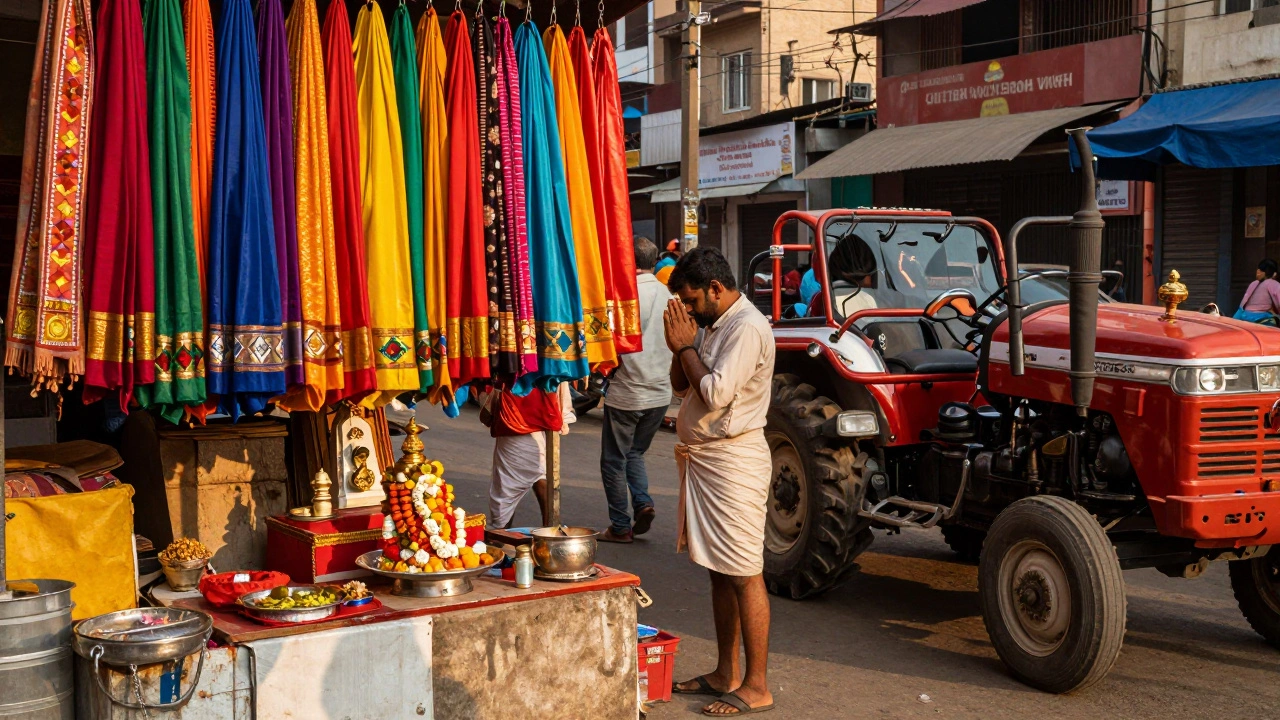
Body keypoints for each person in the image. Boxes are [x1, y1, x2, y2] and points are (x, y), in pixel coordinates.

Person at [664, 247, 776, 716]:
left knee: (744, 573)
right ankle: (725, 672)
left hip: (734, 463)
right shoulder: (712, 324)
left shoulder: (747, 326)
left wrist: (687, 347)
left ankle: (757, 685)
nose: (687, 311)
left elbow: (711, 394)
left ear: (715, 288)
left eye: (691, 301)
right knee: (719, 571)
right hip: (708, 462)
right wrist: (678, 344)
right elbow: (681, 385)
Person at [598, 237, 673, 543]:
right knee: (635, 453)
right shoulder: (671, 295)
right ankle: (642, 502)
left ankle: (619, 526)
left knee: (614, 460)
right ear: (655, 261)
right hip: (660, 394)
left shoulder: (623, 296)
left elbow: (602, 339)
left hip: (627, 393)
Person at [484, 383, 574, 528]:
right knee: (538, 473)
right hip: (536, 410)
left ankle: (501, 534)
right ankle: (551, 529)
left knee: (510, 481)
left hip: (518, 415)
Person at [1235, 259, 1280, 324]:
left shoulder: (1253, 284)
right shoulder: (1274, 284)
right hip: (1261, 319)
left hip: (1243, 317)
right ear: (1275, 273)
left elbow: (1242, 304)